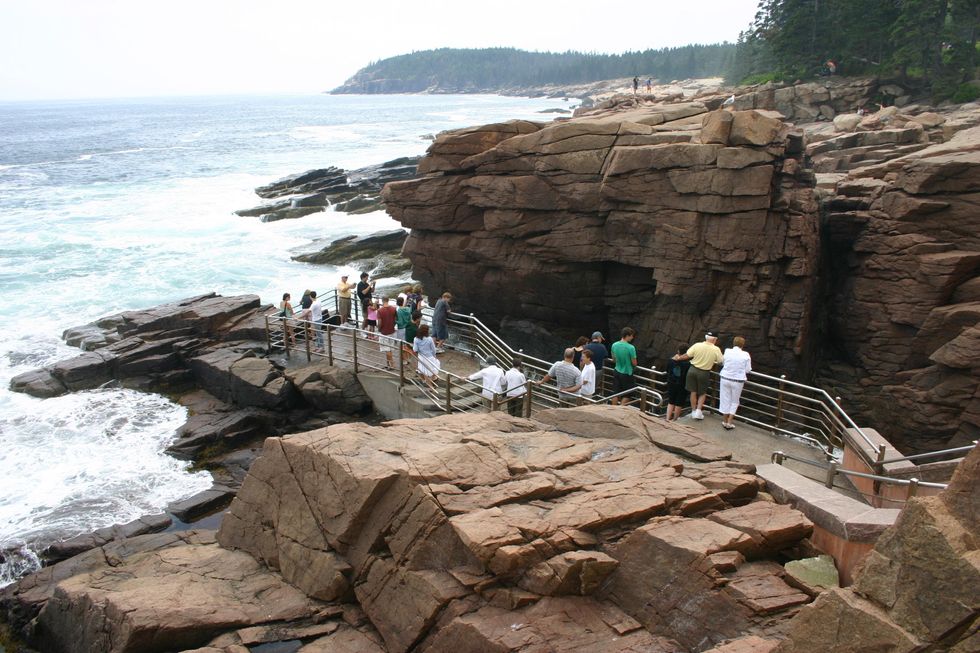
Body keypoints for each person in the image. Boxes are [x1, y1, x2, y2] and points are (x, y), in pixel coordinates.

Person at [678, 331, 724, 420]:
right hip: (704, 372)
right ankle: (699, 412)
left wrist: (678, 358)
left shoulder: (697, 345)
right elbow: (720, 361)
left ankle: (693, 411)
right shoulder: (716, 349)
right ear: (714, 339)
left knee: (693, 391)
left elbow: (687, 355)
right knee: (702, 393)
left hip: (692, 370)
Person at [719, 336, 752, 430]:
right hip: (738, 381)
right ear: (743, 345)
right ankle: (729, 422)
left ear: (733, 343)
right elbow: (748, 370)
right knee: (734, 401)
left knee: (725, 399)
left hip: (725, 378)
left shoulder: (727, 351)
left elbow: (723, 362)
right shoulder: (746, 354)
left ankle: (724, 421)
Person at [610, 327, 638, 406]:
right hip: (627, 373)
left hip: (617, 370)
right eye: (631, 336)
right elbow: (634, 363)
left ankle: (613, 409)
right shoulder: (631, 348)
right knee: (628, 394)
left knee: (615, 393)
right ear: (627, 336)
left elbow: (614, 359)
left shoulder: (614, 345)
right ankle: (620, 410)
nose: (632, 338)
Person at [665, 346, 691, 421]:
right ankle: (675, 419)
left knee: (671, 401)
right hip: (682, 384)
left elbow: (667, 370)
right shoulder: (687, 364)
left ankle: (667, 418)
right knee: (679, 402)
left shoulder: (671, 360)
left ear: (678, 351)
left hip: (671, 383)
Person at [412, 324, 440, 390]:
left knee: (422, 370)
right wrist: (434, 356)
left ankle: (425, 381)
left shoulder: (416, 339)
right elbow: (433, 349)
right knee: (430, 371)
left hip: (421, 357)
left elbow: (415, 349)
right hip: (429, 357)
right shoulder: (429, 339)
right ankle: (431, 386)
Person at [584, 331, 609, 396]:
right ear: (598, 338)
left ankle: (585, 399)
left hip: (588, 370)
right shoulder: (602, 347)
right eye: (601, 338)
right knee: (593, 387)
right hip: (598, 371)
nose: (601, 340)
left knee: (586, 386)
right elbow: (606, 356)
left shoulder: (586, 347)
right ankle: (590, 399)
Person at [377, 297, 397, 369]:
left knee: (387, 349)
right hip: (392, 331)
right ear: (388, 300)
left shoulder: (380, 310)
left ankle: (392, 364)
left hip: (384, 332)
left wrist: (379, 329)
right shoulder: (393, 309)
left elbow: (379, 322)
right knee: (390, 349)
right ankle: (388, 363)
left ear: (382, 301)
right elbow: (395, 320)